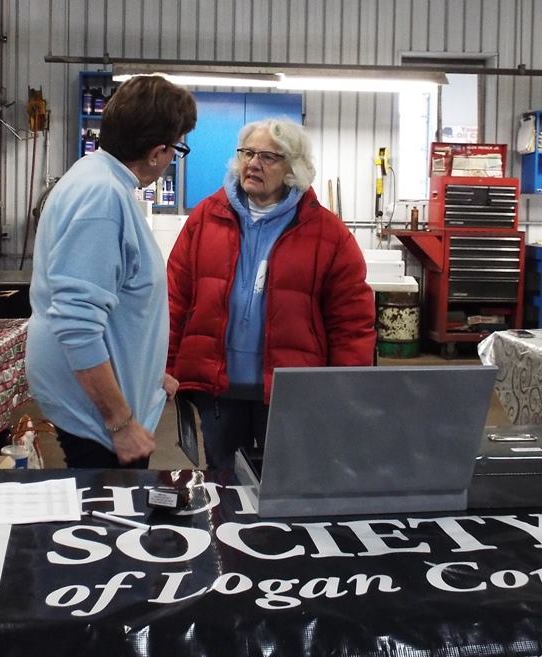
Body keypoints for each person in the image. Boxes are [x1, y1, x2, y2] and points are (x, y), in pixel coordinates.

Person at [167, 118, 376, 472]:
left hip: (291, 391)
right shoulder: (205, 218)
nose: (253, 163)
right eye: (247, 153)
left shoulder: (328, 233)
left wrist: (343, 387)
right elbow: (175, 299)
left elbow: (351, 322)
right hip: (217, 387)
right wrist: (168, 367)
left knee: (287, 480)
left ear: (293, 168)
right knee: (225, 481)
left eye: (268, 157)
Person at [25, 75, 197, 469]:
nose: (171, 158)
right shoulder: (103, 198)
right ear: (157, 153)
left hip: (103, 398)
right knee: (110, 507)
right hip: (99, 416)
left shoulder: (97, 179)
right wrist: (120, 422)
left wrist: (148, 372)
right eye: (176, 148)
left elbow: (115, 298)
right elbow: (77, 324)